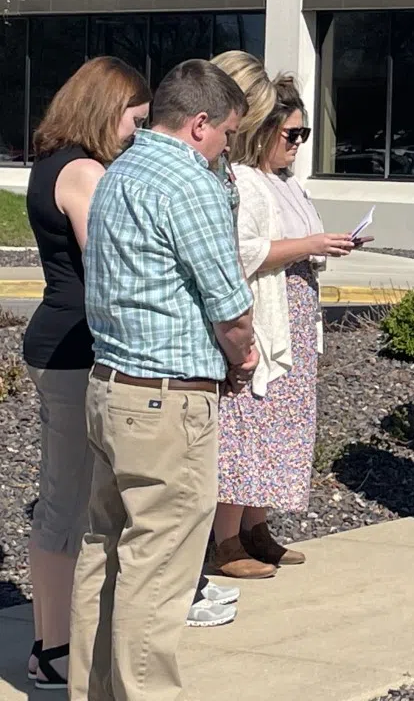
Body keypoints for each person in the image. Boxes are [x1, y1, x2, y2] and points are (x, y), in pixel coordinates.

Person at [70, 59, 257, 701]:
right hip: (164, 399)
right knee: (160, 563)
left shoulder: (118, 170)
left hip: (109, 387)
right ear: (200, 123)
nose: (229, 145)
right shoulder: (186, 181)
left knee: (107, 552)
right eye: (229, 132)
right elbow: (229, 304)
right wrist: (244, 358)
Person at [21, 57, 151, 687]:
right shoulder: (85, 170)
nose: (139, 132)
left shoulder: (49, 161)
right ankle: (53, 651)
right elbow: (109, 261)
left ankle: (48, 644)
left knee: (60, 498)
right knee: (66, 505)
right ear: (108, 109)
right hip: (75, 351)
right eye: (136, 119)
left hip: (53, 341)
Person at [207, 53, 356, 579]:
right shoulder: (245, 182)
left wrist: (322, 246)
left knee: (281, 429)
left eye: (303, 134)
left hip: (295, 315)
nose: (297, 144)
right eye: (290, 134)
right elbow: (244, 251)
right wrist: (310, 244)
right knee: (248, 429)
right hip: (267, 316)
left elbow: (295, 242)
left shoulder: (289, 182)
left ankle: (256, 527)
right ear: (262, 131)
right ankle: (225, 540)